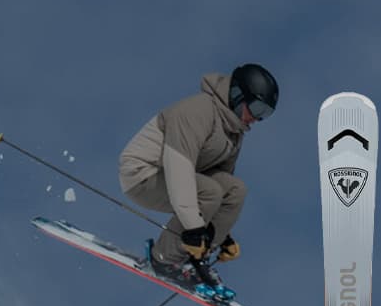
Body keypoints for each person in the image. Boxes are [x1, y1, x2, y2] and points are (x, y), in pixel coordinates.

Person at [118, 64, 279, 283]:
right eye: (257, 108)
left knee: (235, 190)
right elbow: (179, 170)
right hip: (142, 173)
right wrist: (194, 228)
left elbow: (222, 182)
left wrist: (221, 236)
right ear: (238, 95)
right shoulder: (198, 111)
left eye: (265, 114)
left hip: (181, 182)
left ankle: (194, 258)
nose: (257, 119)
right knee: (210, 192)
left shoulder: (234, 132)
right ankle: (163, 259)